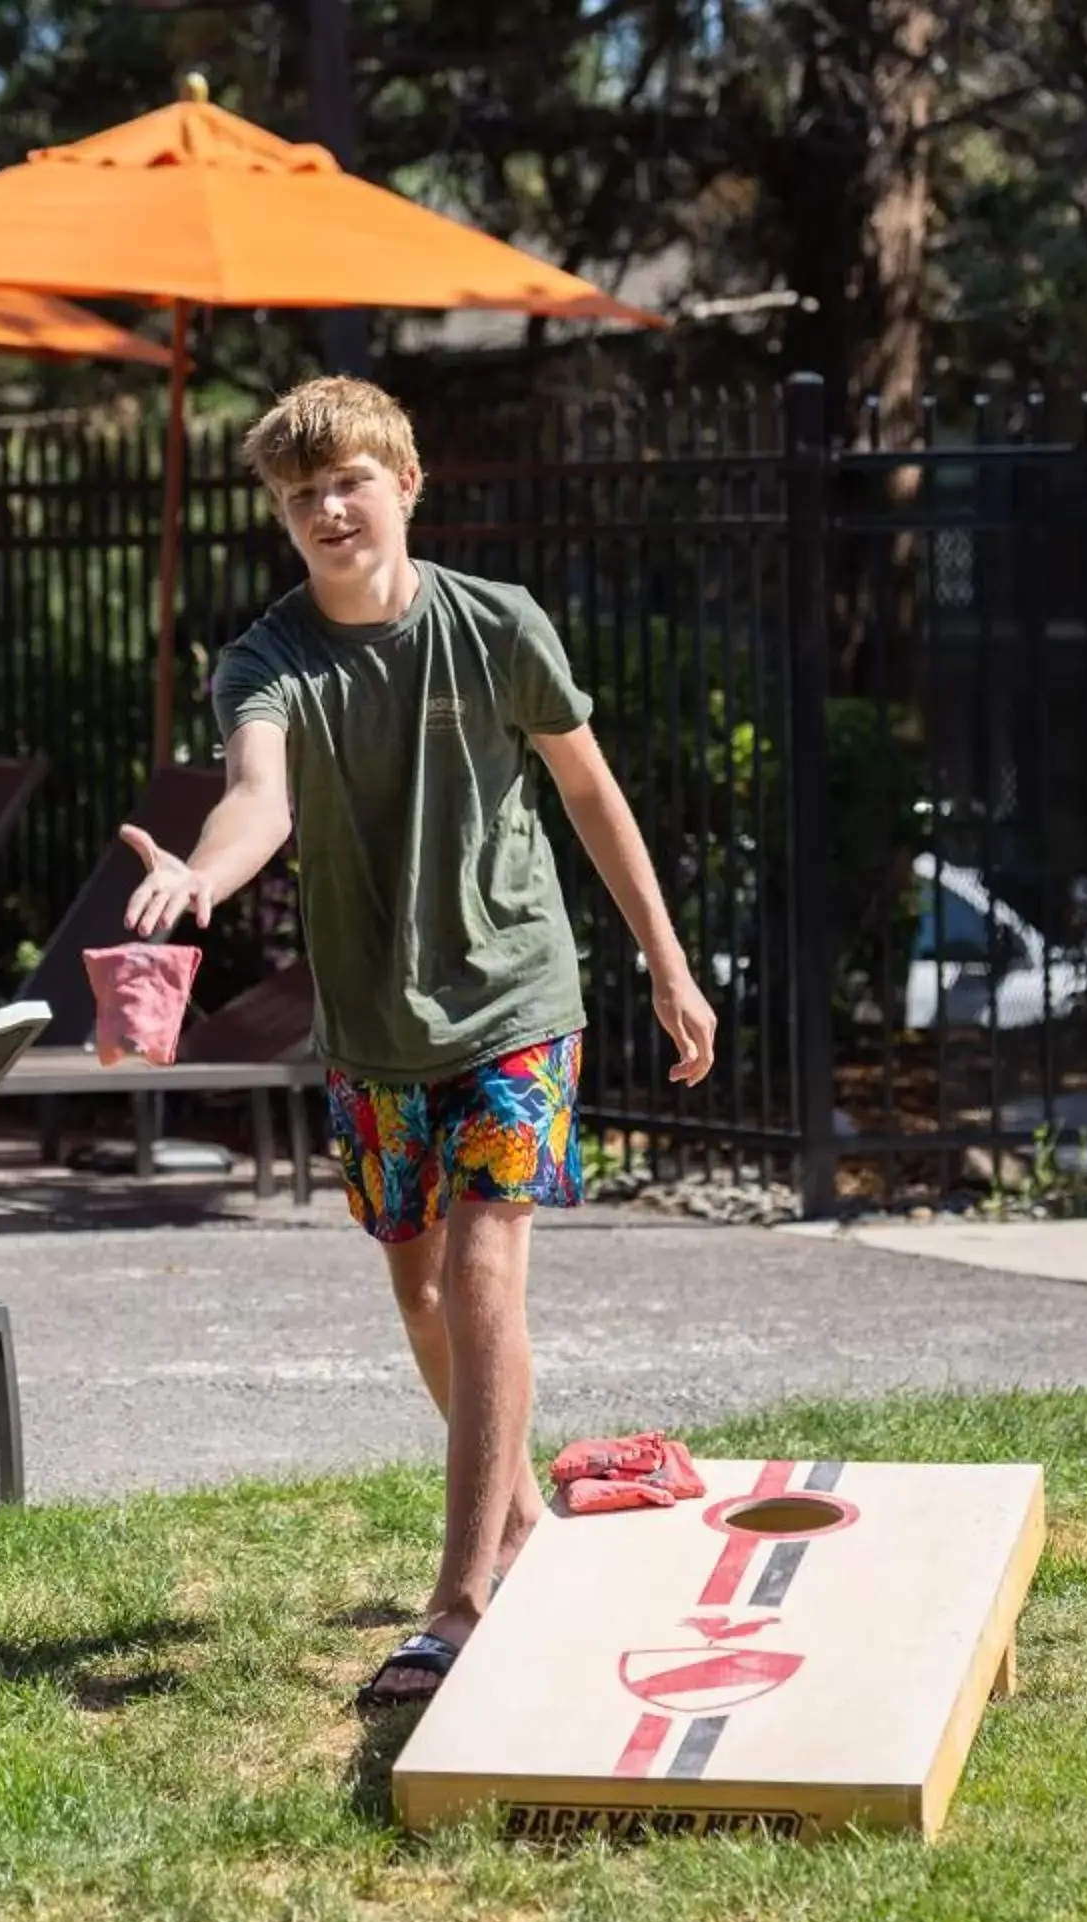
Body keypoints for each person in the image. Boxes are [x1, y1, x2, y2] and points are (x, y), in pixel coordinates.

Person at [123, 376, 718, 1713]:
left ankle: (459, 1605)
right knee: (418, 1288)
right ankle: (515, 1518)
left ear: (404, 481)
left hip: (514, 991)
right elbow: (256, 797)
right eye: (302, 494)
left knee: (481, 1265)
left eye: (350, 481)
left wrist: (668, 964)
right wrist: (202, 881)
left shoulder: (495, 627)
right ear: (284, 517)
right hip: (376, 1022)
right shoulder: (266, 661)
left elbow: (589, 791)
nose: (330, 509)